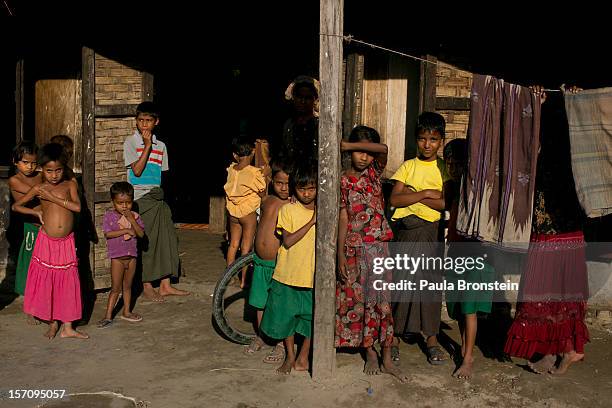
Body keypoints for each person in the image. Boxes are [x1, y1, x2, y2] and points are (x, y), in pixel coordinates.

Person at [505, 85, 589, 375]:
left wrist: (575, 101)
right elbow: (526, 144)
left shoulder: (575, 146)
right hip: (543, 225)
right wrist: (537, 105)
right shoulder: (539, 148)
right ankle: (549, 347)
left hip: (567, 223)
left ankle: (568, 349)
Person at [335, 126, 408, 383]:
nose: (363, 157)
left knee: (381, 303)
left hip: (378, 247)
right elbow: (343, 215)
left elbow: (384, 150)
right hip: (353, 248)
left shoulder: (376, 174)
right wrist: (340, 254)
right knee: (359, 301)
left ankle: (386, 354)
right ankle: (369, 352)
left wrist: (349, 145)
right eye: (358, 151)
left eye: (367, 151)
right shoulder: (343, 180)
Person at [389, 112, 448, 365]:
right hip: (406, 233)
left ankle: (431, 339)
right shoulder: (407, 166)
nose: (427, 144)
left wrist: (414, 195)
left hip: (430, 233)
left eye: (433, 139)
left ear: (441, 141)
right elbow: (394, 200)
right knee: (402, 282)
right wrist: (425, 193)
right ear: (416, 140)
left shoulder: (443, 168)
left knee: (429, 285)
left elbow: (445, 203)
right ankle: (394, 337)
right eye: (422, 139)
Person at [12, 143, 88, 339]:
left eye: (58, 170)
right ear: (42, 169)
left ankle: (68, 327)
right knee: (49, 282)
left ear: (64, 168)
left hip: (66, 242)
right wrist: (36, 211)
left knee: (68, 281)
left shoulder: (70, 184)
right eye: (49, 171)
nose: (54, 175)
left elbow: (77, 208)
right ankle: (53, 323)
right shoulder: (39, 187)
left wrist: (52, 198)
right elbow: (17, 206)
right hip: (46, 241)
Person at [123, 101, 190, 302]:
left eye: (148, 121)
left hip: (156, 196)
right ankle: (147, 284)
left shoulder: (162, 146)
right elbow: (136, 171)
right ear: (136, 121)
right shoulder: (131, 143)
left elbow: (160, 175)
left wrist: (153, 145)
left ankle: (165, 284)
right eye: (141, 120)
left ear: (156, 122)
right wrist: (147, 146)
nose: (144, 125)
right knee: (148, 242)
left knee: (167, 240)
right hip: (140, 197)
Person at [443, 138, 495, 379]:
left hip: (475, 256)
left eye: (458, 164)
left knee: (470, 309)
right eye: (449, 163)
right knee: (459, 307)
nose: (453, 168)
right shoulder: (452, 188)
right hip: (455, 254)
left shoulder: (477, 191)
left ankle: (468, 358)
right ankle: (465, 348)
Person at [260, 165, 317, 374]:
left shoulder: (323, 210)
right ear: (295, 189)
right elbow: (289, 240)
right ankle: (290, 357)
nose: (306, 194)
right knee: (286, 319)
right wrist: (311, 222)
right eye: (302, 189)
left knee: (311, 319)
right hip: (287, 275)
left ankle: (303, 357)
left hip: (311, 277)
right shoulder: (288, 210)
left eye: (311, 189)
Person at [245, 159, 292, 362]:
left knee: (278, 304)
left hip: (278, 264)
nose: (283, 188)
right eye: (279, 182)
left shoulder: (292, 205)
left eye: (288, 183)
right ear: (272, 181)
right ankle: (262, 336)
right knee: (259, 302)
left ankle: (280, 343)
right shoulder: (267, 201)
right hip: (260, 262)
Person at [97, 182, 145, 328]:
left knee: (128, 286)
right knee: (115, 288)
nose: (124, 206)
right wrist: (125, 231)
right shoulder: (109, 216)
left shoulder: (135, 217)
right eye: (120, 203)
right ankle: (108, 315)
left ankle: (126, 312)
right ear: (113, 202)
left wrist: (131, 221)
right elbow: (108, 234)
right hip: (118, 259)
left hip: (131, 258)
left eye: (128, 203)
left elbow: (141, 234)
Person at [224, 137, 266, 288]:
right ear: (253, 153)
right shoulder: (254, 172)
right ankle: (244, 280)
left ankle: (228, 277)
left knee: (233, 244)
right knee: (246, 247)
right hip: (248, 213)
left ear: (235, 155)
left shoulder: (231, 169)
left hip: (233, 212)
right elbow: (262, 192)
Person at [8, 141, 42, 325]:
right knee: (29, 265)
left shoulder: (41, 175)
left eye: (34, 163)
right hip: (30, 227)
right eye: (25, 162)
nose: (30, 167)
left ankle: (42, 303)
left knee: (43, 266)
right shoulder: (15, 180)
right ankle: (30, 308)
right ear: (15, 162)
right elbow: (29, 199)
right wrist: (36, 212)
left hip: (46, 228)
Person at [271, 75, 320, 165]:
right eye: (299, 97)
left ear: (315, 100)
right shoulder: (288, 124)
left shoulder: (319, 126)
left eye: (308, 98)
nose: (303, 101)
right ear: (294, 98)